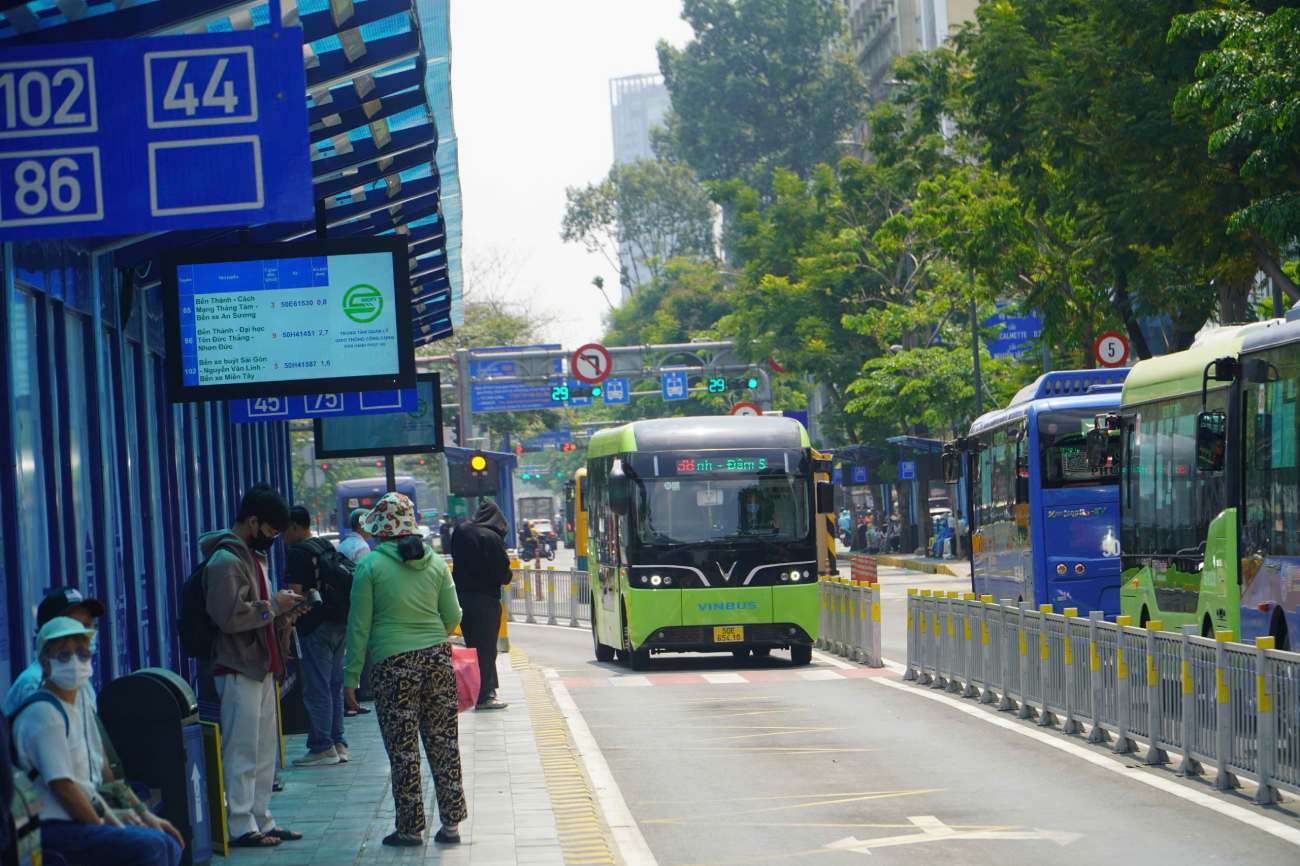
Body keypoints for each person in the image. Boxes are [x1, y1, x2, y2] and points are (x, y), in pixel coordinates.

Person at [344, 493, 467, 848]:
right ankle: (451, 825)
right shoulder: (435, 563)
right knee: (444, 742)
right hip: (438, 661)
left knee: (403, 749)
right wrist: (430, 637)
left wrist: (351, 677)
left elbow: (359, 627)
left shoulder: (369, 567)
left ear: (380, 531)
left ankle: (410, 829)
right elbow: (454, 616)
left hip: (393, 666)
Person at [12, 617, 182, 866]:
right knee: (150, 846)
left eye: (82, 654)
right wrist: (103, 825)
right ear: (45, 663)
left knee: (167, 841)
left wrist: (134, 816)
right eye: (64, 655)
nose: (75, 662)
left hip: (75, 824)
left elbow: (90, 785)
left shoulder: (74, 706)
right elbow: (64, 788)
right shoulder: (45, 714)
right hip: (50, 829)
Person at [202, 483, 304, 849]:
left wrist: (283, 609)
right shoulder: (225, 561)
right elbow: (230, 616)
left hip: (260, 664)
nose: (273, 538)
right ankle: (240, 824)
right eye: (271, 530)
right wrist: (274, 606)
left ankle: (261, 817)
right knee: (242, 749)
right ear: (253, 521)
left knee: (263, 751)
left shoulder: (250, 557)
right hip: (238, 666)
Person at [283, 506, 350, 767]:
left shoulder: (298, 552)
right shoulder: (325, 545)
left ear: (295, 527)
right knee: (334, 684)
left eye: (284, 530)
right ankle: (338, 743)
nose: (282, 537)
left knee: (317, 687)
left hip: (315, 627)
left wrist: (286, 628)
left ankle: (322, 746)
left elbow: (295, 595)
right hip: (339, 623)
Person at [448, 500, 512, 710]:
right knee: (486, 649)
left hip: (462, 598)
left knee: (473, 647)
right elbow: (503, 574)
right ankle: (485, 695)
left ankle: (477, 691)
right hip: (485, 600)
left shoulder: (461, 531)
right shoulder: (491, 538)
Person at [4, 586, 105, 718]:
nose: (85, 634)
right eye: (75, 626)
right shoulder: (34, 684)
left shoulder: (79, 680)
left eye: (89, 625)